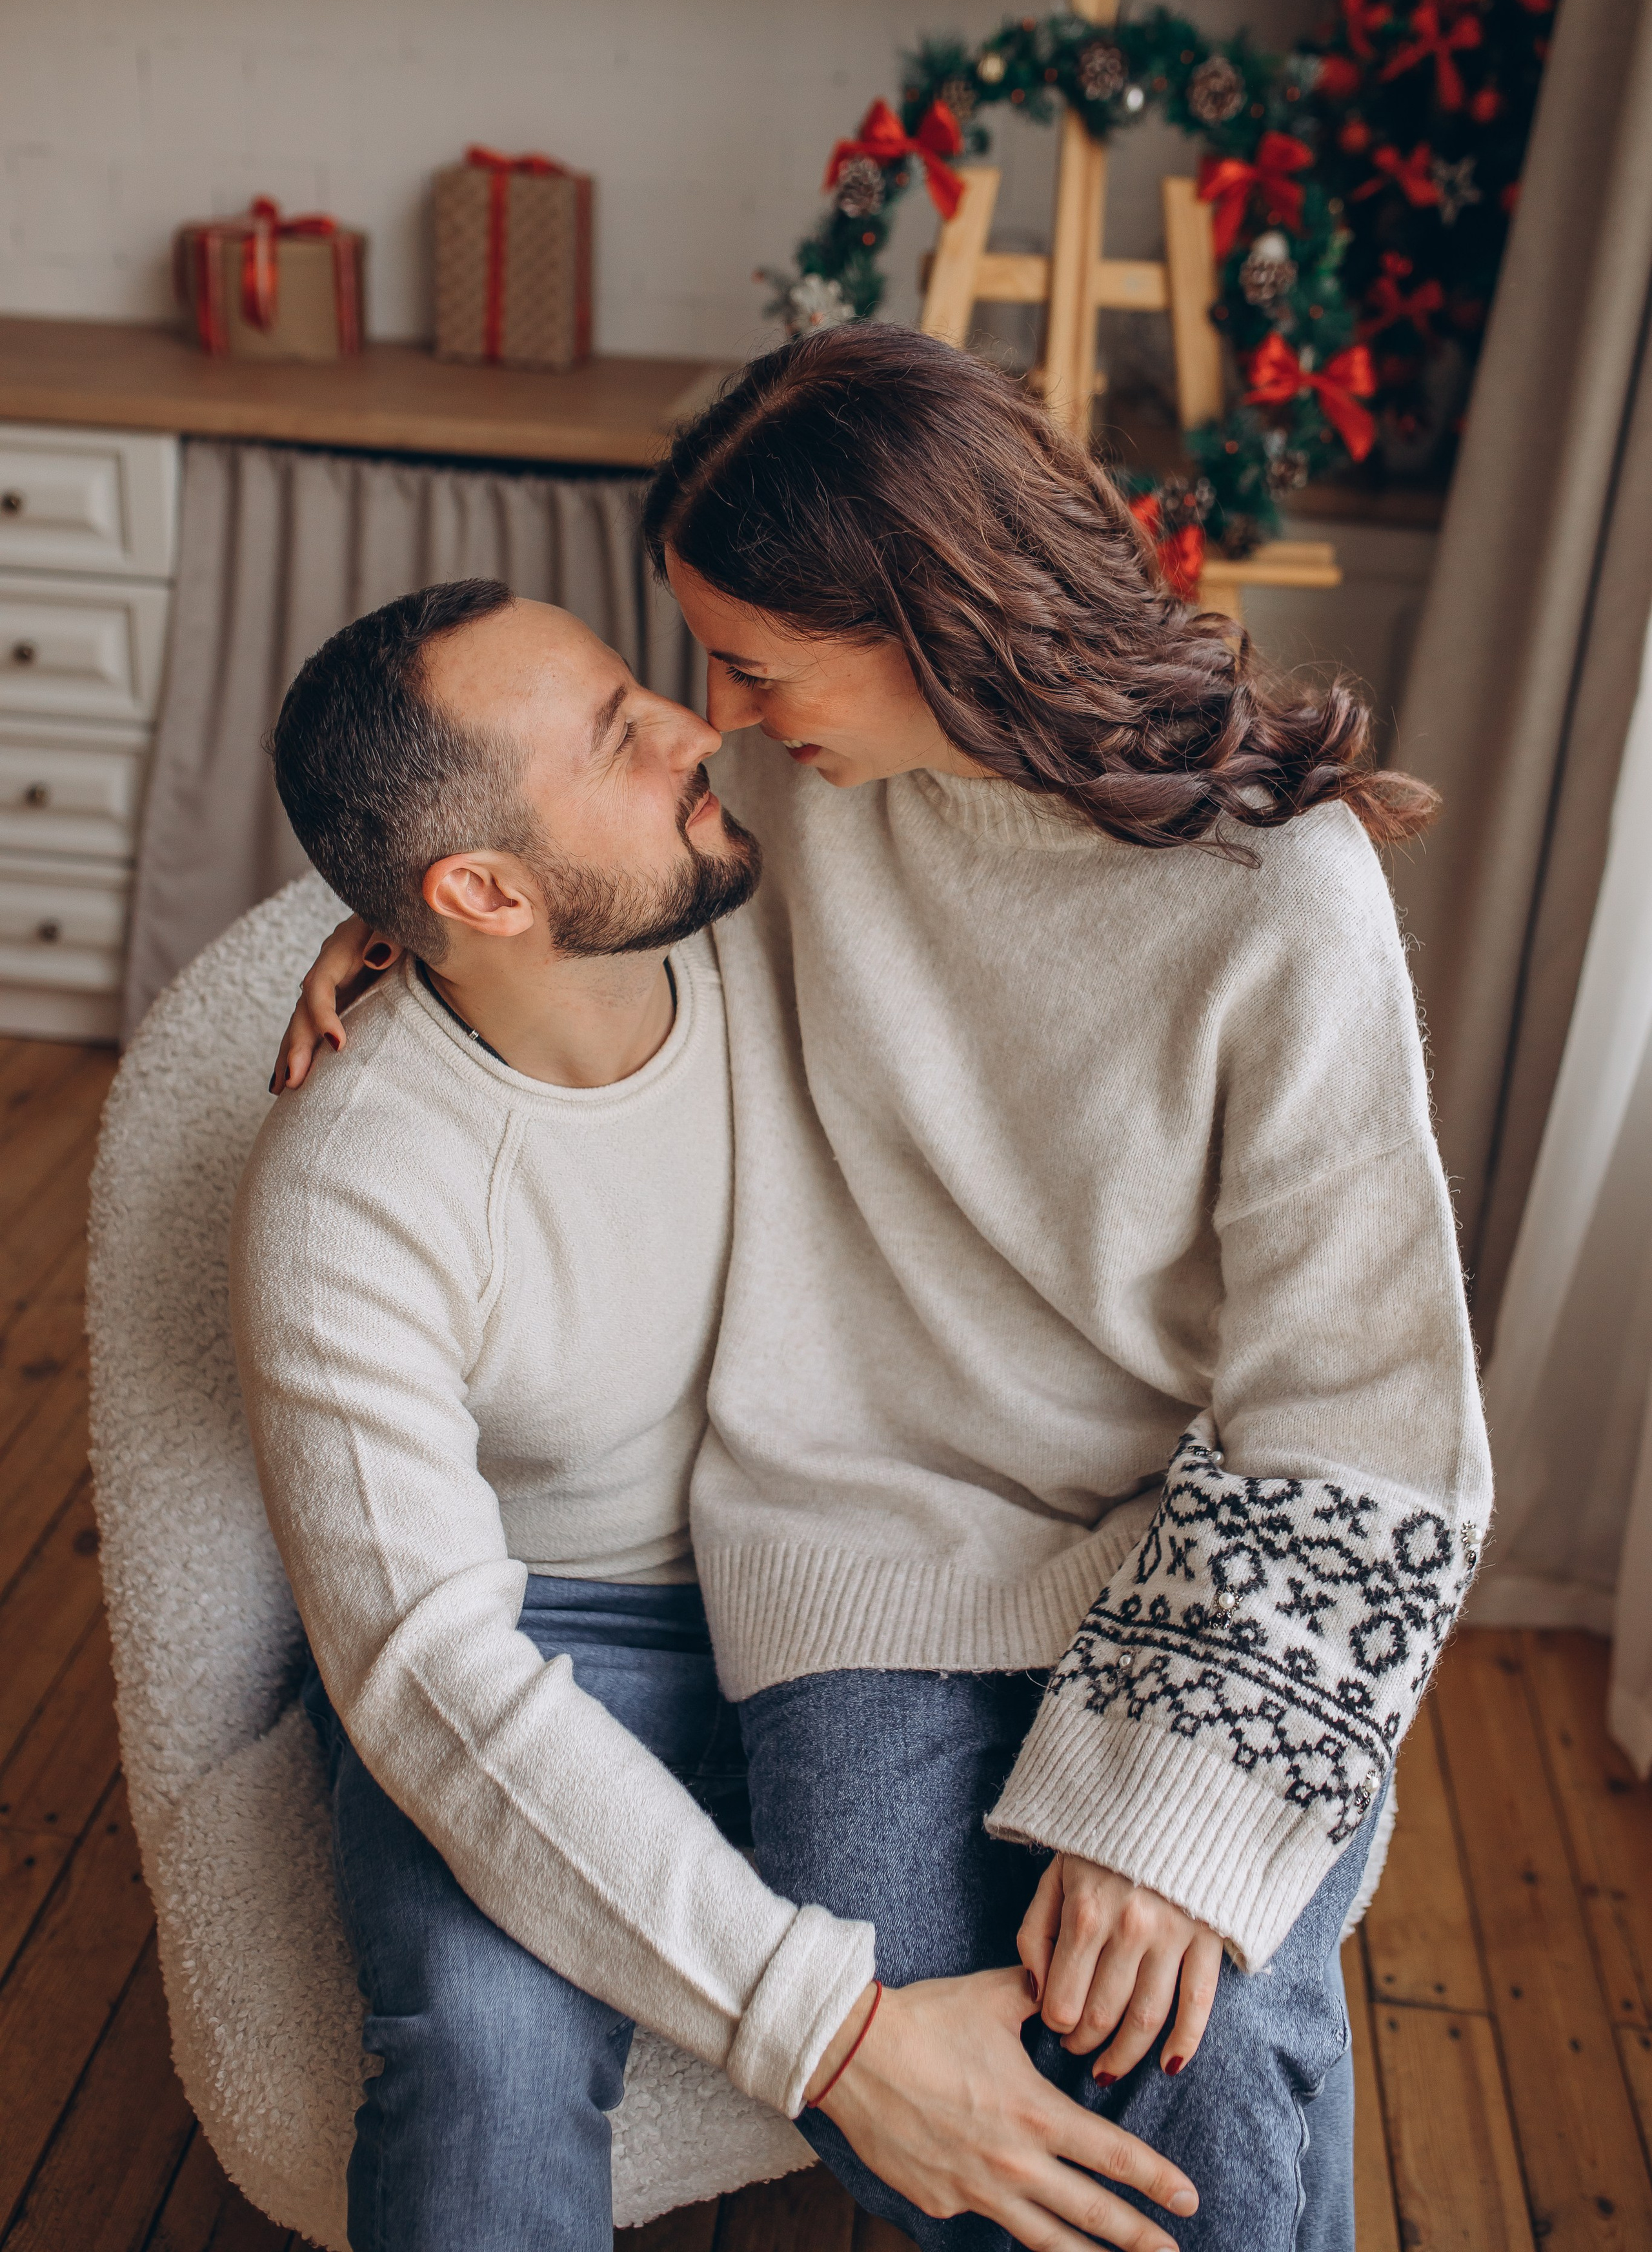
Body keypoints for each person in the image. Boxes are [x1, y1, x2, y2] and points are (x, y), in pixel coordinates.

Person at [280, 325, 1492, 2252]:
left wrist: (1169, 1811)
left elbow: (1370, 1413)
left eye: (752, 665)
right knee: (949, 2097)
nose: (720, 719)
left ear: (940, 624)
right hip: (861, 1547)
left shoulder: (1284, 902)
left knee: (1202, 2032)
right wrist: (400, 923)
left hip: (1188, 1541)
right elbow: (540, 861)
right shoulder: (810, 806)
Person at [236, 574, 1198, 2252]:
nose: (705, 727)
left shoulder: (766, 894)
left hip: (869, 1578)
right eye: (624, 737)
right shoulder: (353, 1192)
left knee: (1129, 1992)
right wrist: (836, 2033)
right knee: (481, 2058)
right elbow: (432, 1676)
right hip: (545, 1651)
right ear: (482, 887)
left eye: (645, 684)